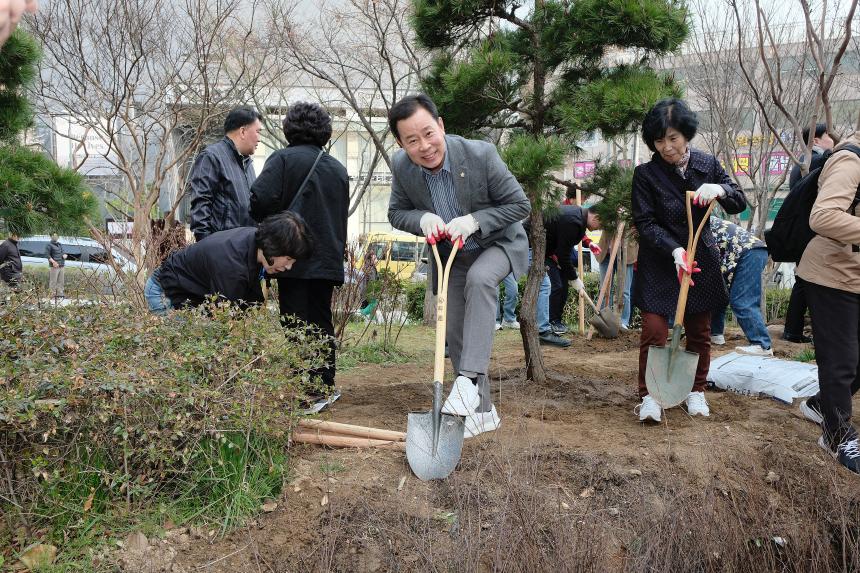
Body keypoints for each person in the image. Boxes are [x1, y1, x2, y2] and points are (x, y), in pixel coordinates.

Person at [387, 94, 530, 438]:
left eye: (428, 133)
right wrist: (422, 218)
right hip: (452, 253)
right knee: (454, 329)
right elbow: (396, 212)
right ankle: (483, 411)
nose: (425, 146)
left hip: (496, 243)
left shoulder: (480, 154)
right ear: (401, 144)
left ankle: (466, 382)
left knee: (480, 279)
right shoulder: (402, 167)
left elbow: (520, 205)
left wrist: (475, 220)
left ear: (441, 125)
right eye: (412, 140)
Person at [631, 98, 747, 423]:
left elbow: (739, 201)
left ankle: (696, 389)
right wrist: (673, 250)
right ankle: (650, 396)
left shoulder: (707, 165)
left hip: (699, 260)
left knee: (699, 331)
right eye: (659, 140)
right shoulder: (646, 174)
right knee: (654, 330)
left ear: (686, 134)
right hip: (661, 260)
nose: (667, 147)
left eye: (673, 138)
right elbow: (645, 222)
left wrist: (720, 189)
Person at [250, 102, 349, 408]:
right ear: (325, 131)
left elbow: (259, 202)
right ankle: (323, 385)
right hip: (327, 259)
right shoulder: (338, 169)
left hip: (291, 258)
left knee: (295, 322)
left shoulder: (282, 159)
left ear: (289, 128)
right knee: (321, 320)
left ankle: (304, 388)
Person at [795, 129, 860, 474]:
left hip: (856, 275)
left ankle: (821, 405)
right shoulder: (851, 161)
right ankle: (836, 435)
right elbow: (822, 216)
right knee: (841, 360)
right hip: (831, 274)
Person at [144, 211, 314, 316]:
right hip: (165, 292)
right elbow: (224, 321)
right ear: (274, 246)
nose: (289, 267)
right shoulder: (231, 265)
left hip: (190, 292)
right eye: (289, 259)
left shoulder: (255, 241)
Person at [783, 123, 836, 344]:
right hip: (811, 230)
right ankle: (799, 331)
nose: (833, 140)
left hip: (801, 230)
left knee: (803, 280)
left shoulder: (803, 162)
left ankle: (793, 330)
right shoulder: (818, 161)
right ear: (815, 140)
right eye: (829, 136)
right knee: (811, 281)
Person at [525, 205, 602, 346]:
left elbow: (563, 248)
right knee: (544, 286)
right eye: (600, 225)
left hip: (535, 246)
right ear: (595, 218)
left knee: (544, 285)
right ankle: (542, 332)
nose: (598, 229)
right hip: (528, 244)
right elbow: (563, 255)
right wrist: (574, 278)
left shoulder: (577, 217)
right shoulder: (574, 221)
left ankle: (541, 329)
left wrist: (589, 244)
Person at [188, 106, 263, 242]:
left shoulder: (247, 162)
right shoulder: (211, 157)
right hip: (222, 247)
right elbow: (201, 205)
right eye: (258, 132)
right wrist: (206, 246)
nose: (259, 139)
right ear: (242, 131)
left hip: (246, 246)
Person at [708, 216, 773, 356]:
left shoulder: (693, 223)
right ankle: (715, 334)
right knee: (716, 292)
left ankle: (762, 345)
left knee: (742, 301)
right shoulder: (693, 220)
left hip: (749, 252)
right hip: (744, 253)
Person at [595, 233, 636, 331]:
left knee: (625, 291)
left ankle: (623, 322)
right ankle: (605, 321)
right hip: (606, 253)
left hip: (626, 253)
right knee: (605, 290)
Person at [45, 233, 66, 299]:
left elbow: (63, 252)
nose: (55, 237)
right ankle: (52, 296)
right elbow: (47, 255)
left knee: (61, 281)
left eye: (56, 236)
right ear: (51, 237)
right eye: (53, 236)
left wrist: (64, 255)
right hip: (54, 266)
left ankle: (60, 295)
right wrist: (53, 262)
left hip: (61, 265)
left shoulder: (60, 244)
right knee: (53, 282)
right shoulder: (49, 245)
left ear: (58, 237)